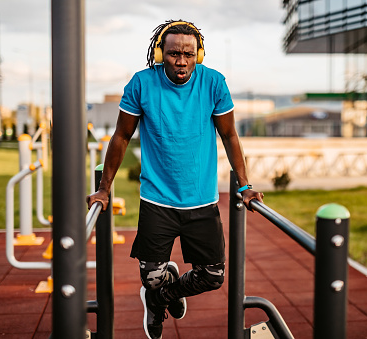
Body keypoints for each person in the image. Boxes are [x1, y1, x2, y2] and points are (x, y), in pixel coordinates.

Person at [86, 19, 263, 339]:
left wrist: (245, 186)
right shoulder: (141, 84)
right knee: (150, 276)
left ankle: (160, 298)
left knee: (213, 276)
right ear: (159, 53)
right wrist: (103, 189)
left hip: (202, 199)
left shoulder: (214, 83)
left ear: (199, 54)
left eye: (188, 54)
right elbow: (122, 137)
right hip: (157, 199)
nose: (181, 61)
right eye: (173, 54)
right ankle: (157, 290)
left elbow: (229, 135)